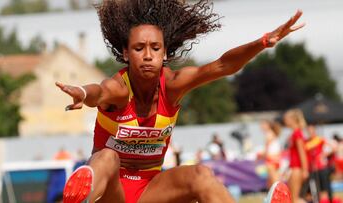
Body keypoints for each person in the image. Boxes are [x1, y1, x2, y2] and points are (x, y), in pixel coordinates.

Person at [56, 0, 304, 202]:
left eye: (155, 48)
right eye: (139, 48)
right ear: (125, 53)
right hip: (112, 193)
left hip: (149, 191)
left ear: (165, 52)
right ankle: (78, 197)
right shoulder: (119, 89)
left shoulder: (173, 85)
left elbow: (222, 65)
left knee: (201, 174)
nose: (148, 55)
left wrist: (261, 43)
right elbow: (97, 93)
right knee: (107, 157)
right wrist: (82, 92)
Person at [301, 125, 336, 203]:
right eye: (308, 131)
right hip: (311, 168)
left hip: (321, 168)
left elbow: (333, 146)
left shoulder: (319, 139)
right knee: (314, 188)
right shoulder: (306, 142)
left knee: (326, 187)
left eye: (311, 130)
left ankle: (330, 200)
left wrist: (324, 154)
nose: (310, 132)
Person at [283, 109, 309, 203]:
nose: (284, 121)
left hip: (297, 168)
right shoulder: (294, 133)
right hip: (294, 167)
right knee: (292, 198)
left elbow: (302, 153)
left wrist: (305, 170)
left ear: (293, 119)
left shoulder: (297, 133)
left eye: (286, 119)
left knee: (294, 198)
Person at [260, 120, 282, 188]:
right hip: (275, 158)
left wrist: (261, 155)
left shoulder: (269, 134)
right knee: (273, 181)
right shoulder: (272, 134)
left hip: (271, 159)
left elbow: (267, 149)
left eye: (263, 125)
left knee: (274, 182)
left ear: (268, 125)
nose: (261, 127)